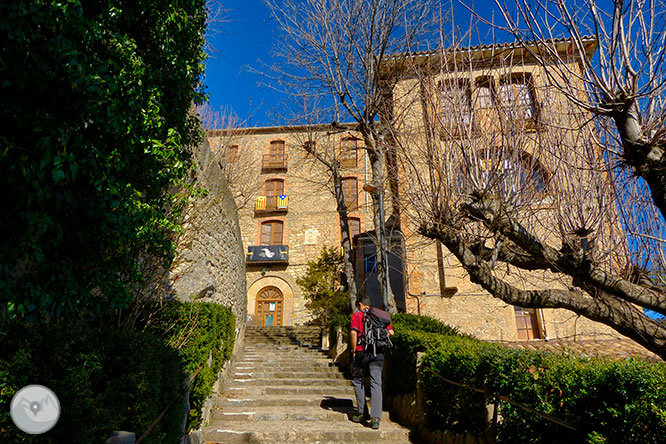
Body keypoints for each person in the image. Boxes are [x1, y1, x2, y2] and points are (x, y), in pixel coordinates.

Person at [349, 296, 394, 430]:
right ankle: (375, 418)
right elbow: (391, 332)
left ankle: (362, 412)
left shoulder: (357, 315)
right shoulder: (378, 315)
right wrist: (379, 339)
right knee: (376, 383)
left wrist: (354, 351)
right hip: (378, 353)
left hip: (362, 352)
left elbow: (353, 333)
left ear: (360, 304)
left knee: (358, 380)